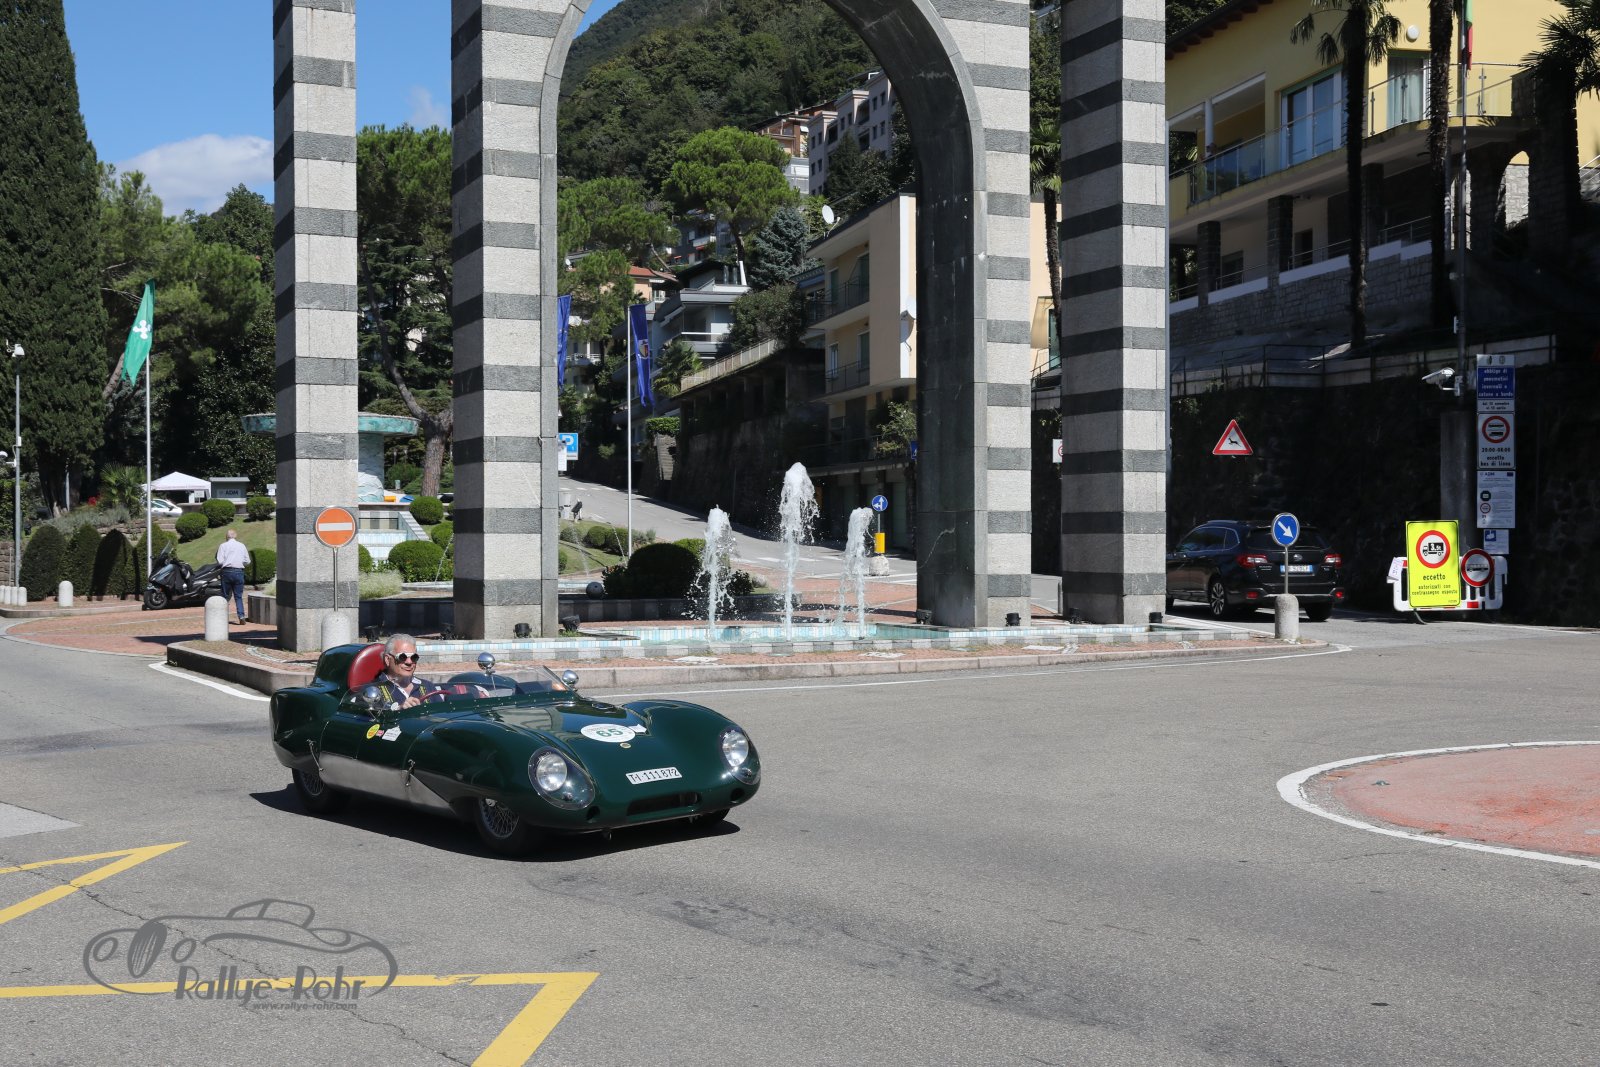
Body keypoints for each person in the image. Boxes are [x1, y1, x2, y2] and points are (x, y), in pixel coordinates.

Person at [370, 634, 438, 710]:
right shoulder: (372, 691)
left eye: (414, 657)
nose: (409, 662)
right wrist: (399, 709)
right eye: (402, 657)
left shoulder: (428, 686)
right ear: (387, 659)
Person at [215, 528, 251, 625]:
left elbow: (220, 561)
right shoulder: (241, 545)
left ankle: (222, 617)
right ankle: (241, 616)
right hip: (239, 571)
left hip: (227, 571)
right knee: (238, 596)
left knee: (225, 596)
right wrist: (240, 562)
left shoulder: (223, 545)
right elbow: (248, 561)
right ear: (235, 536)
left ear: (227, 536)